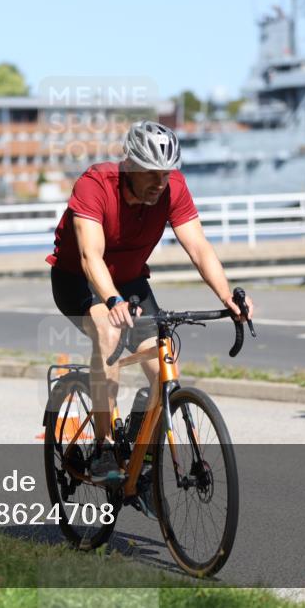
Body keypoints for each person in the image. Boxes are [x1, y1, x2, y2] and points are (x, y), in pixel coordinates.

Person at [47, 120, 254, 486]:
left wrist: (226, 294)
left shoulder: (172, 189)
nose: (160, 183)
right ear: (130, 166)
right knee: (108, 334)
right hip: (78, 278)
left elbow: (199, 247)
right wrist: (111, 299)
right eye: (152, 174)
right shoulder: (95, 185)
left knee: (162, 370)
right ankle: (105, 448)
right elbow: (90, 257)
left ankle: (138, 449)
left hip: (130, 280)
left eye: (167, 173)